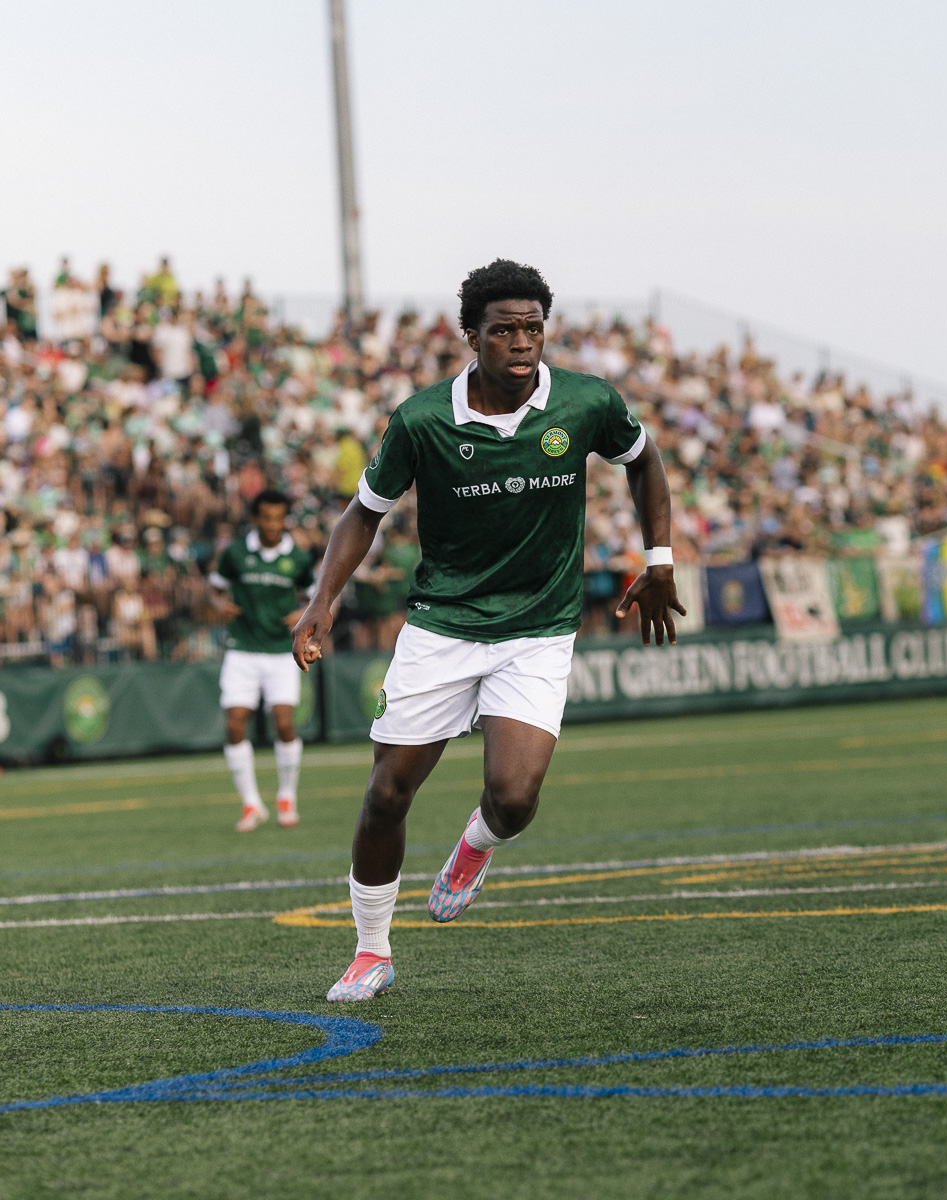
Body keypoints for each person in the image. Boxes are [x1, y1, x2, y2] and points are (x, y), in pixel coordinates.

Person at [292, 260, 685, 1002]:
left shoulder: (586, 402)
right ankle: (371, 952)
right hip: (442, 625)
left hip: (538, 627)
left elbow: (644, 462)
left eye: (533, 328)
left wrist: (659, 559)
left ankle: (475, 845)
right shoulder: (422, 420)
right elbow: (363, 513)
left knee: (513, 799)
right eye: (504, 330)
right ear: (471, 336)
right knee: (386, 794)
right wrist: (324, 599)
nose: (521, 341)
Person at [210, 489, 317, 831]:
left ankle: (287, 795)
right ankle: (251, 803)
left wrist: (303, 612)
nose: (272, 525)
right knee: (234, 724)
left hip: (281, 651)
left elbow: (317, 597)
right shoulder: (235, 553)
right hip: (241, 648)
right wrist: (219, 604)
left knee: (284, 723)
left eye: (278, 518)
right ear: (256, 518)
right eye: (267, 518)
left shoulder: (298, 558)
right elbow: (214, 588)